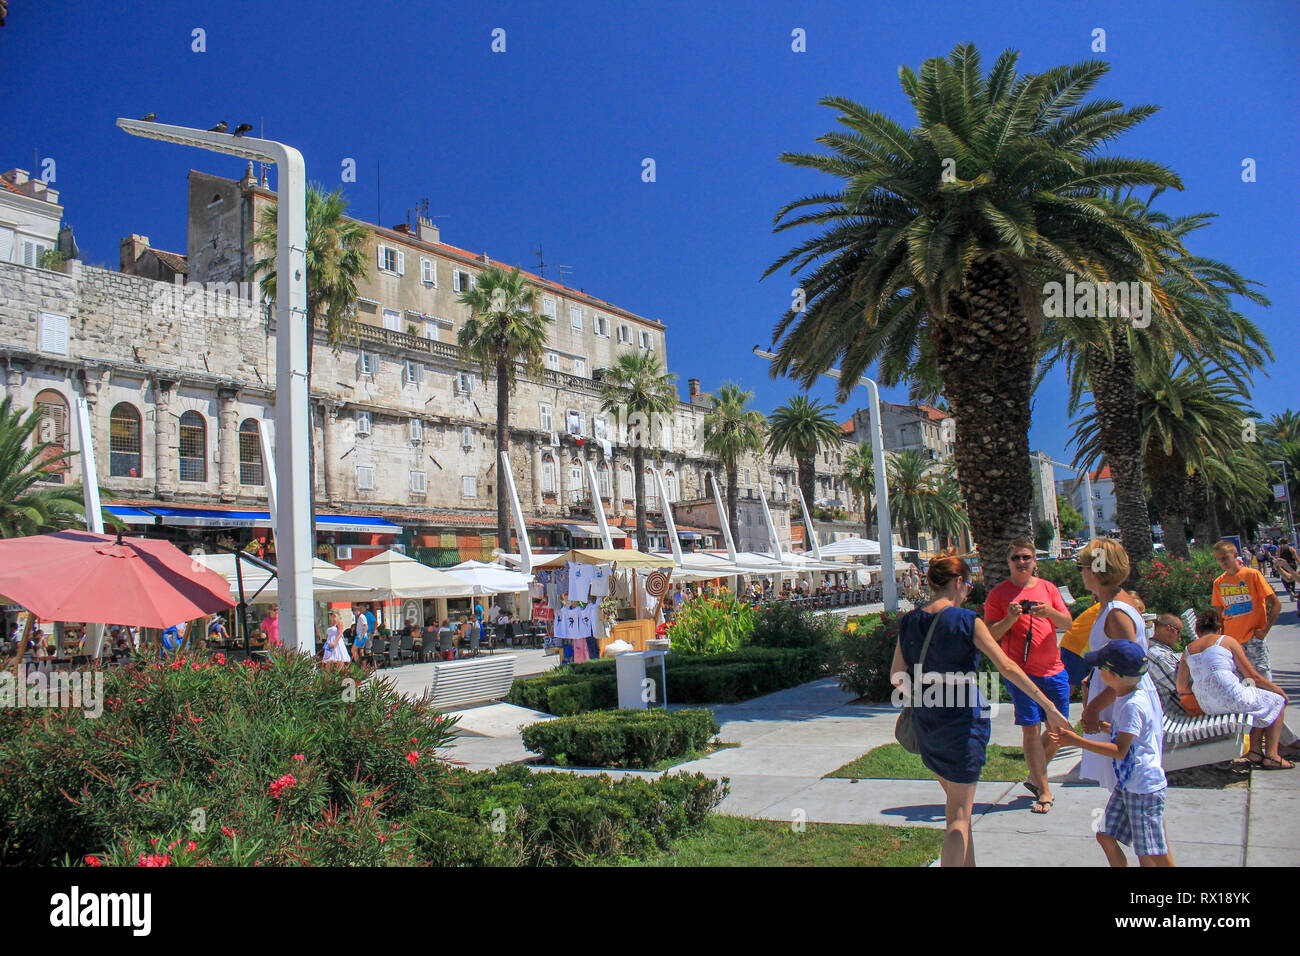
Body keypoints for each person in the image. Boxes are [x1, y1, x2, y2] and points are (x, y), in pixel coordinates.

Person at [892, 556, 1070, 866]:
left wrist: (924, 696)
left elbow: (897, 676)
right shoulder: (965, 620)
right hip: (963, 725)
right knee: (958, 818)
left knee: (959, 806)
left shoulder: (909, 621)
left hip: (927, 723)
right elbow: (1008, 667)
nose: (968, 592)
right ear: (958, 582)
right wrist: (1048, 706)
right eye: (968, 585)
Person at [1053, 640, 1175, 867]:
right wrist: (1107, 727)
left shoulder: (1131, 705)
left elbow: (1120, 750)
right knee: (1105, 836)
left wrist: (1077, 741)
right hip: (1129, 784)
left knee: (1156, 853)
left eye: (1100, 669)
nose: (1096, 675)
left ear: (1112, 675)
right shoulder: (1127, 698)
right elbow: (1134, 735)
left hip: (1144, 788)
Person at [984, 539, 1073, 813]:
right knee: (1031, 730)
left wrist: (1049, 613)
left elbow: (1068, 623)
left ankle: (1035, 777)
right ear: (1008, 562)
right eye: (1016, 559)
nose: (1022, 563)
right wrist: (1010, 618)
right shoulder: (999, 595)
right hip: (1022, 674)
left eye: (1026, 558)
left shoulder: (1047, 589)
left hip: (1054, 669)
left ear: (1035, 561)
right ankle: (1044, 790)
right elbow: (989, 636)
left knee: (1060, 730)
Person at [1077, 538, 1155, 791]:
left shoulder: (1116, 612)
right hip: (1115, 700)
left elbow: (1128, 668)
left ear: (1096, 570)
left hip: (1120, 704)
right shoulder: (1110, 605)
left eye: (1083, 566)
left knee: (1131, 787)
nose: (1081, 572)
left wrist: (1093, 708)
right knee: (1122, 789)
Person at [1180, 607, 1292, 769]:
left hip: (1207, 705)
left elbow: (1182, 687)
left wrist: (1205, 683)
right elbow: (1252, 676)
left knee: (1255, 699)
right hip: (1231, 698)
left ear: (1197, 630)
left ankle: (1254, 751)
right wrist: (1278, 690)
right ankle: (1272, 755)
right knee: (1276, 701)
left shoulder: (1187, 651)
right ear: (1219, 628)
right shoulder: (1227, 641)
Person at [1211, 539, 1280, 684]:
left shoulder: (1252, 575)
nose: (1222, 562)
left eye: (1225, 558)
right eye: (1219, 559)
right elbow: (1220, 614)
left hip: (1254, 638)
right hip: (1233, 642)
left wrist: (1264, 630)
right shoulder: (1219, 582)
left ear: (1235, 555)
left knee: (1263, 682)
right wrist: (1221, 639)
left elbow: (1276, 604)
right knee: (1242, 686)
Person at [1145, 613, 1187, 715]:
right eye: (1179, 633)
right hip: (1179, 713)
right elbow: (1182, 686)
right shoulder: (1157, 655)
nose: (1179, 639)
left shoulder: (1161, 651)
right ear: (1169, 629)